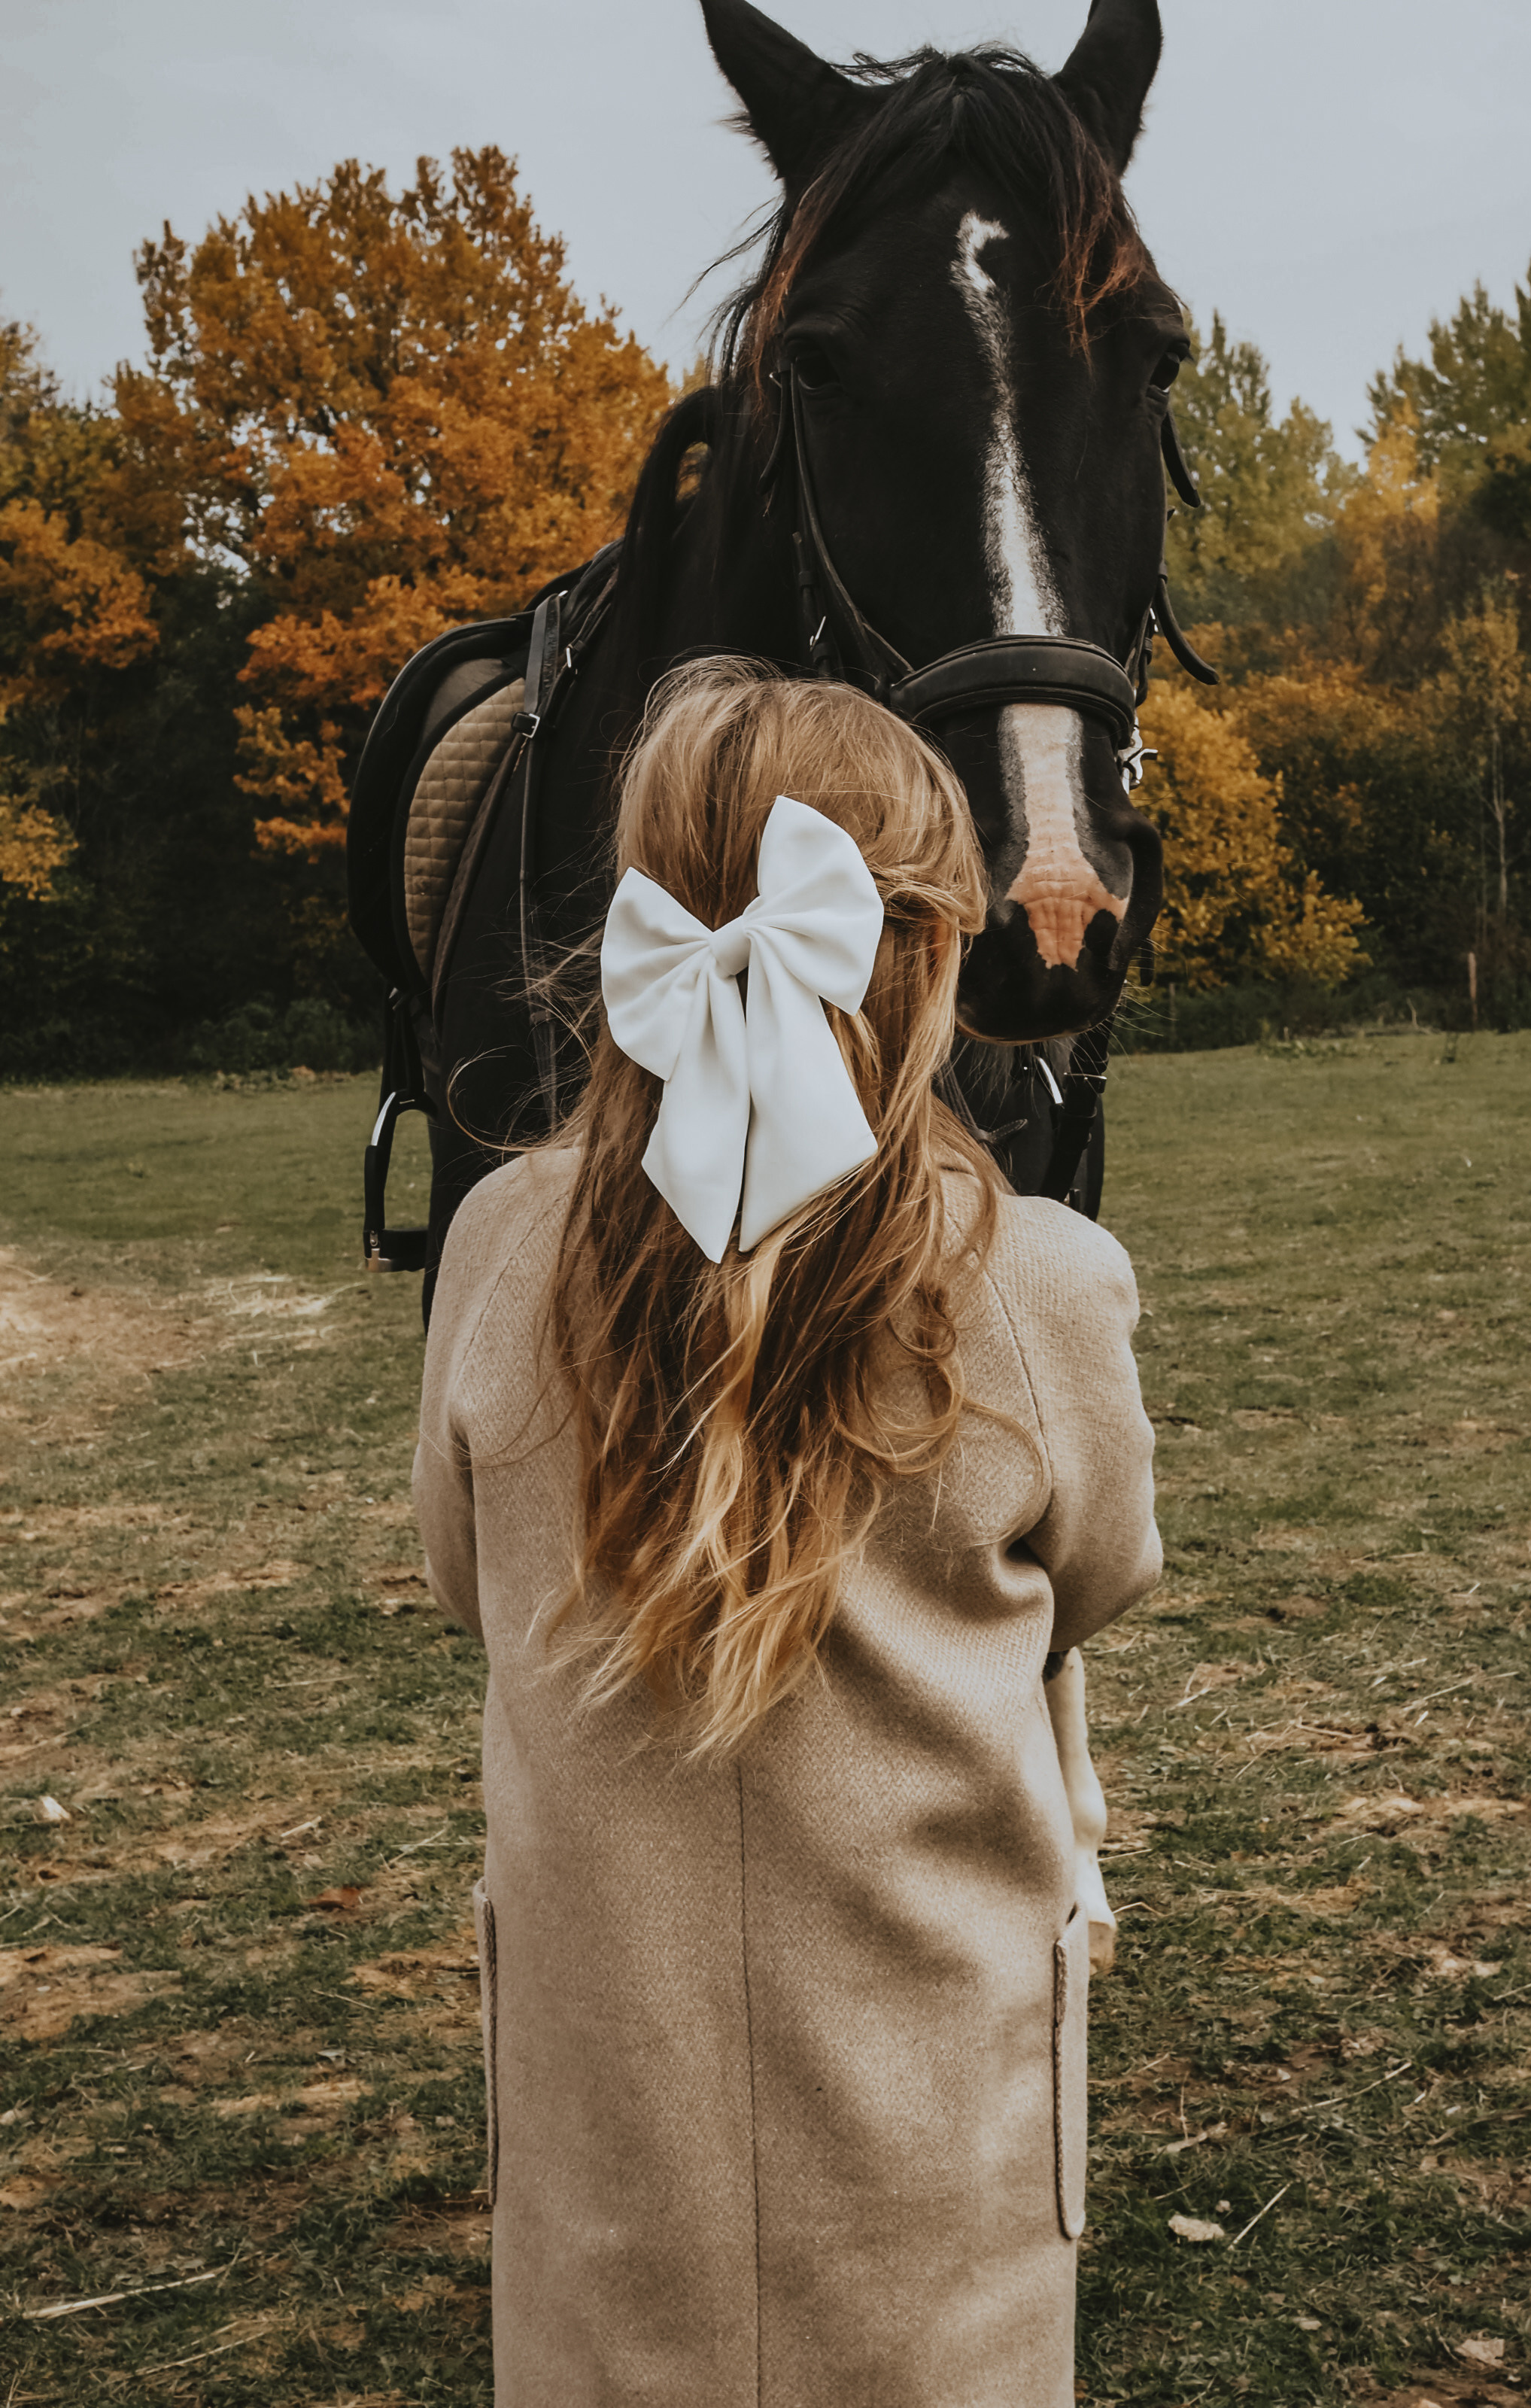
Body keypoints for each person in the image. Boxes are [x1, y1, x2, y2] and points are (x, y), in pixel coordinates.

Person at [414, 657, 1160, 2407]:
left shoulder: (498, 1252)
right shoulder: (1041, 1282)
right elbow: (1102, 1575)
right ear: (930, 950)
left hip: (611, 2130)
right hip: (932, 2141)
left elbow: (464, 1576)